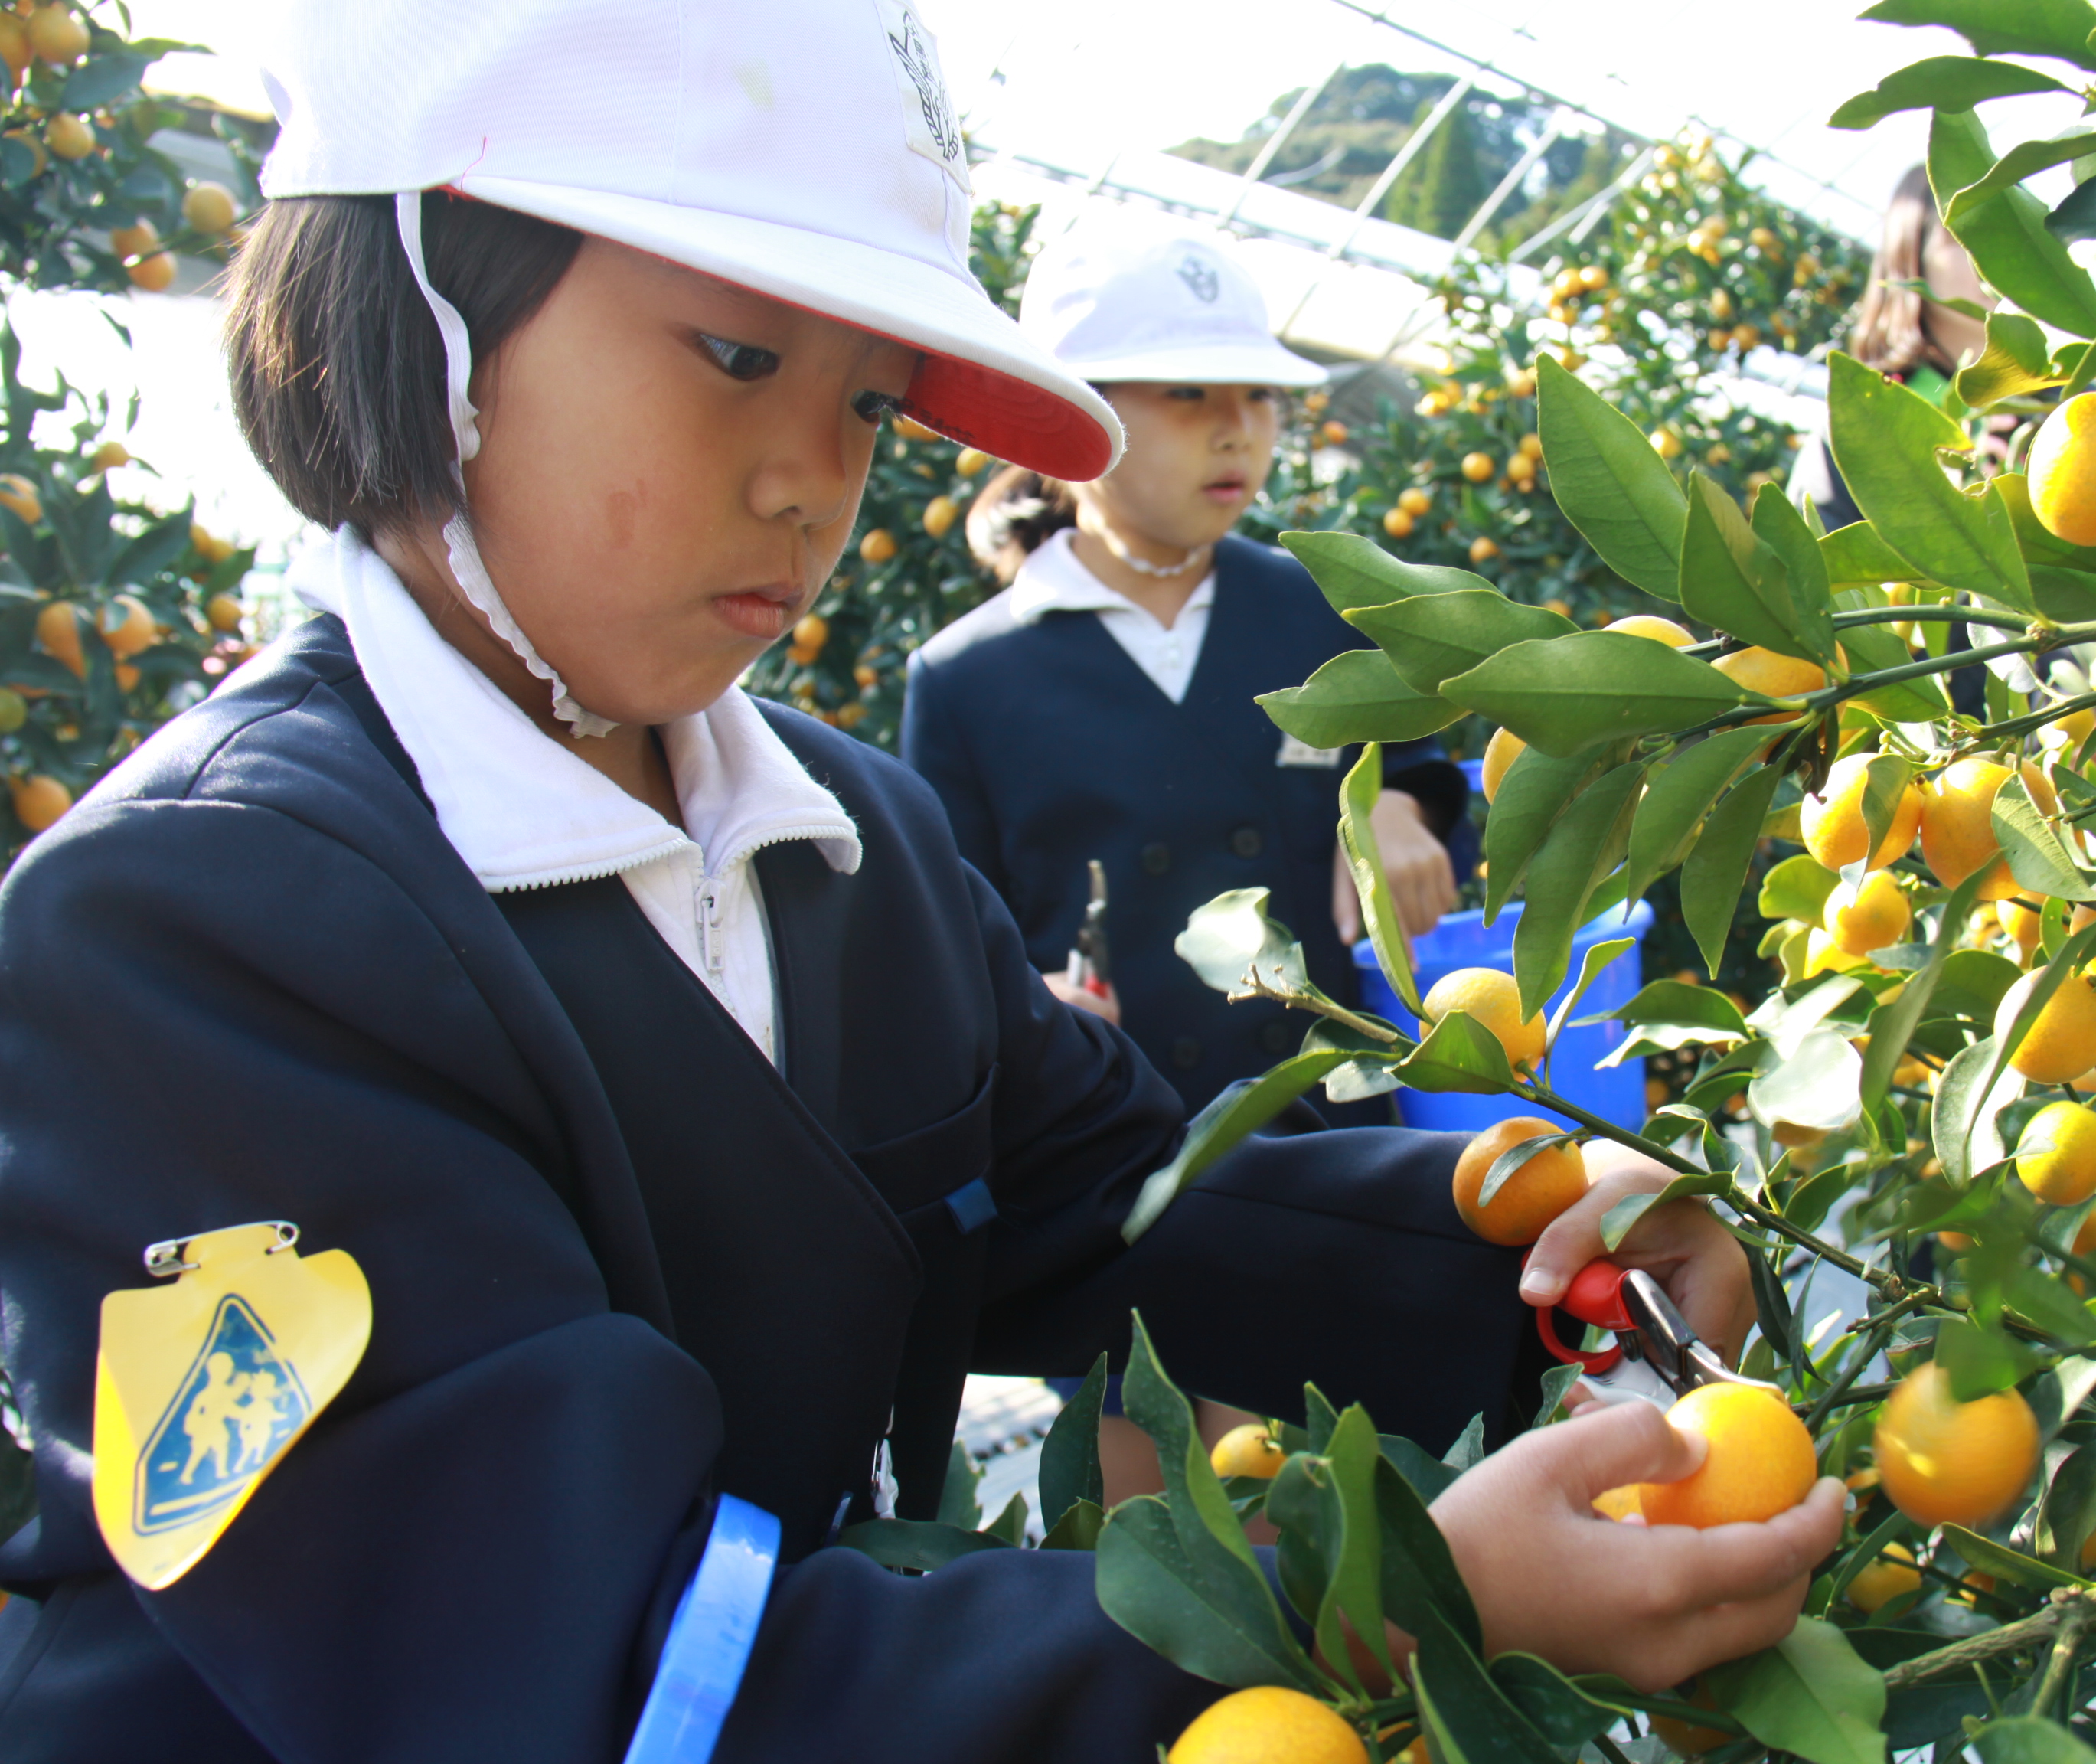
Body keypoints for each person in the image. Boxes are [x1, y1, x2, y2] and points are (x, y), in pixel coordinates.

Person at [0, 4, 1842, 1759]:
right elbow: (573, 1677)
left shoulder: (844, 841)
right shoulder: (199, 930)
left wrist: (1534, 1246)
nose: (817, 483)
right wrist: (1388, 1606)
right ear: (424, 316)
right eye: (739, 356)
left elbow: (1116, 1205)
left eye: (872, 405)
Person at [904, 228, 1464, 1125]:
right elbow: (952, 939)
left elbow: (1409, 760)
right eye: (1189, 393)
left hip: (1342, 1126)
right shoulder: (969, 678)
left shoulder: (1317, 605)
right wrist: (1030, 1004)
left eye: (1259, 395)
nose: (1237, 429)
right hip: (1118, 1141)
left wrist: (1399, 808)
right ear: (1068, 413)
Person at [1794, 165, 1996, 715]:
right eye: (1961, 236)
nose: (1989, 254)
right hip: (1929, 725)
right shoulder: (1867, 423)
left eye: (2001, 230)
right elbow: (1813, 583)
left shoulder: (2065, 412)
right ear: (1911, 259)